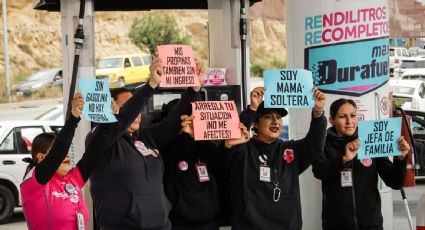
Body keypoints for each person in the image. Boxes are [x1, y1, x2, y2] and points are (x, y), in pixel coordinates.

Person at [89, 57, 205, 230]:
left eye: (138, 110)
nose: (137, 114)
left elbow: (172, 122)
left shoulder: (145, 138)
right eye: (130, 108)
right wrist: (151, 84)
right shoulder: (99, 140)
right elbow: (126, 116)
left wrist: (194, 90)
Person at [223, 88, 327, 230]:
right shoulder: (242, 149)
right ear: (255, 124)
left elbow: (315, 145)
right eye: (268, 117)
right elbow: (234, 135)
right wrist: (252, 108)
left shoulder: (290, 149)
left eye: (278, 117)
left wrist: (318, 112)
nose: (275, 121)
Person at [312, 98, 410, 230]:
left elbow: (395, 182)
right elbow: (319, 171)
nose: (349, 121)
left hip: (371, 224)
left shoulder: (370, 140)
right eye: (342, 117)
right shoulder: (324, 143)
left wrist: (401, 158)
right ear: (332, 120)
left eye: (353, 115)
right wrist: (344, 159)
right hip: (336, 225)